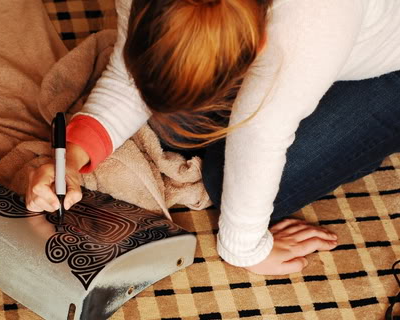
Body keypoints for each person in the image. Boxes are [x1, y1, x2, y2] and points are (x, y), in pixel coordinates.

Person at [26, 0, 400, 275]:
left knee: (227, 179)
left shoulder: (314, 17)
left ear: (258, 45)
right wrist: (72, 157)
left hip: (388, 66)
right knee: (173, 125)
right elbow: (130, 80)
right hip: (309, 40)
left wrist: (246, 248)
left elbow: (262, 133)